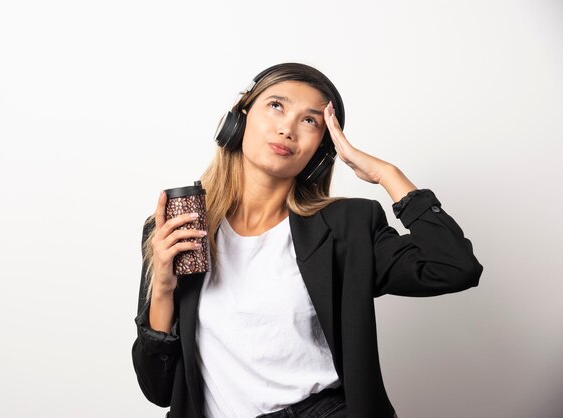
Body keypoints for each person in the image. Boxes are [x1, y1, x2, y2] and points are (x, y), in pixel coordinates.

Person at [131, 63, 483, 418]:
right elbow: (158, 390)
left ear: (322, 150)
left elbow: (454, 267)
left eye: (310, 120)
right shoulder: (180, 229)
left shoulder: (347, 228)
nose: (287, 129)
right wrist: (162, 286)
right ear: (239, 119)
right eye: (276, 106)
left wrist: (386, 174)